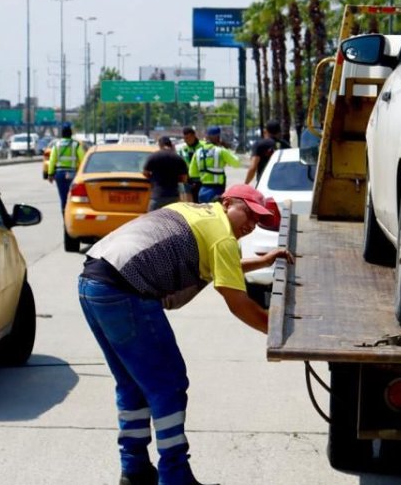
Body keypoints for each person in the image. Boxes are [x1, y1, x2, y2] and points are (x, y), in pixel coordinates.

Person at [78, 184, 293, 485]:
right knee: (169, 384)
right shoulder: (222, 236)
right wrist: (284, 334)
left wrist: (262, 261)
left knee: (132, 383)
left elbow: (218, 265)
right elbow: (240, 306)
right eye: (249, 213)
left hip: (93, 283)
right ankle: (175, 476)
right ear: (228, 201)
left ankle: (135, 468)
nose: (251, 224)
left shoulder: (193, 212)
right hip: (126, 291)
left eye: (258, 222)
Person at [187, 126, 239, 204]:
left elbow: (192, 173)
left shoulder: (198, 152)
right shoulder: (221, 151)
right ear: (218, 137)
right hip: (217, 192)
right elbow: (237, 163)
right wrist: (226, 148)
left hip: (202, 191)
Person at [46, 122, 87, 212]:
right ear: (70, 134)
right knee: (73, 197)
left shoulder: (56, 145)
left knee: (63, 197)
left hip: (60, 174)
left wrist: (50, 174)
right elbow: (82, 159)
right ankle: (71, 214)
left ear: (62, 134)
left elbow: (52, 160)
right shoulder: (76, 145)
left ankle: (65, 217)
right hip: (72, 174)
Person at [141, 136, 189, 211]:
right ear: (170, 144)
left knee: (153, 220)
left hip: (157, 195)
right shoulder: (178, 158)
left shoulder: (154, 156)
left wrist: (153, 179)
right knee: (171, 220)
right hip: (173, 196)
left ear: (160, 145)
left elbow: (145, 173)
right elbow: (184, 179)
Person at [244, 119, 291, 185]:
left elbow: (253, 167)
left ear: (265, 131)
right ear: (279, 132)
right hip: (283, 184)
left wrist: (246, 184)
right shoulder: (286, 146)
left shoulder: (259, 145)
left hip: (265, 184)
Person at [176, 127, 201, 202]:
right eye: (185, 138)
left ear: (194, 136)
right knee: (188, 203)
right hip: (187, 179)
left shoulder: (203, 147)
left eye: (188, 138)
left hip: (200, 180)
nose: (186, 140)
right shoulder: (182, 149)